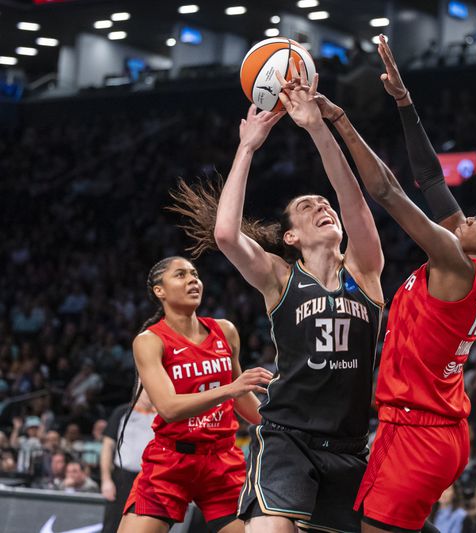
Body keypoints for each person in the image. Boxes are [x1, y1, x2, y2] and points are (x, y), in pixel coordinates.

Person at [171, 64, 384, 533]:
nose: (324, 207)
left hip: (348, 446)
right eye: (309, 207)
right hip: (288, 436)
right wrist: (247, 148)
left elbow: (354, 200)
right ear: (290, 236)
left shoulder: (365, 272)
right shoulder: (281, 279)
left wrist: (316, 128)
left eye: (325, 205)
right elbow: (226, 234)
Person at [350, 35, 476, 533]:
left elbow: (388, 190)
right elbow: (432, 182)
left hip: (419, 433)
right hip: (434, 429)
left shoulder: (457, 262)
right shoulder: (467, 257)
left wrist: (338, 121)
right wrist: (405, 103)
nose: (470, 215)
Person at [118, 257, 271, 533]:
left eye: (195, 274)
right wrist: (230, 389)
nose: (192, 280)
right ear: (159, 291)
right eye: (180, 275)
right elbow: (169, 408)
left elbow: (240, 399)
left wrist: (278, 423)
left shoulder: (225, 331)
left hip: (222, 460)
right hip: (171, 461)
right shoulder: (149, 341)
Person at [100, 386, 157, 533]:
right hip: (122, 478)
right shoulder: (122, 412)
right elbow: (107, 447)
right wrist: (106, 480)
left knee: (145, 524)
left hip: (149, 479)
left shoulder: (162, 415)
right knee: (113, 525)